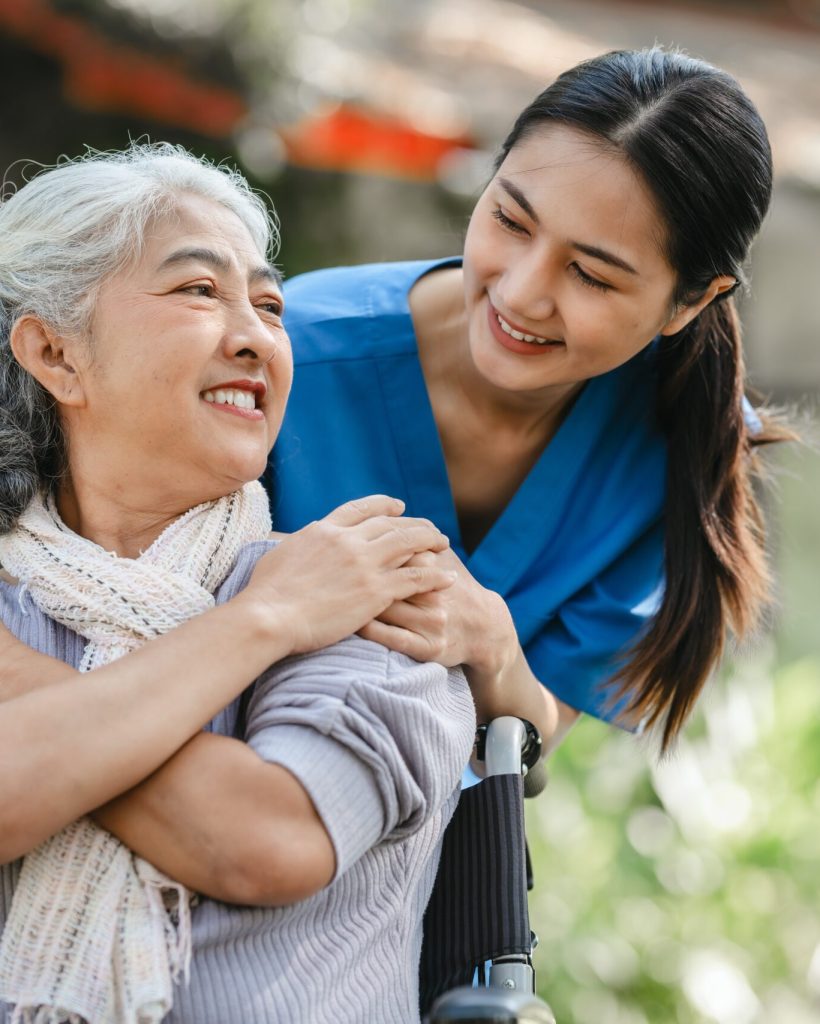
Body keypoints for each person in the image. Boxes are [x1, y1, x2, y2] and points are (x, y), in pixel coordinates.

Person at [0, 144, 476, 1024]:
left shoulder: (363, 589)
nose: (256, 334)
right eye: (197, 291)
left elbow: (270, 836)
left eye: (268, 304)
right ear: (56, 354)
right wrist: (263, 623)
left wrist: (25, 695)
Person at [269, 46, 789, 751]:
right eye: (511, 222)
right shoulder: (292, 351)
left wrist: (492, 645)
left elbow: (534, 753)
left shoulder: (682, 446)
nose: (519, 294)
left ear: (691, 301)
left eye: (591, 275)